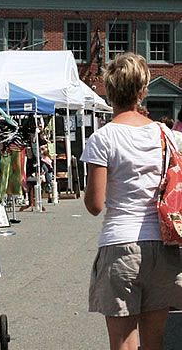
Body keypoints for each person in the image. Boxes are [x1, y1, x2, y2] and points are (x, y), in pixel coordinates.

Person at [81, 52, 182, 350]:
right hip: (164, 245)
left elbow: (94, 204)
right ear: (143, 90)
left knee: (123, 342)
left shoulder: (103, 138)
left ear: (110, 90)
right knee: (155, 341)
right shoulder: (166, 134)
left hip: (120, 243)